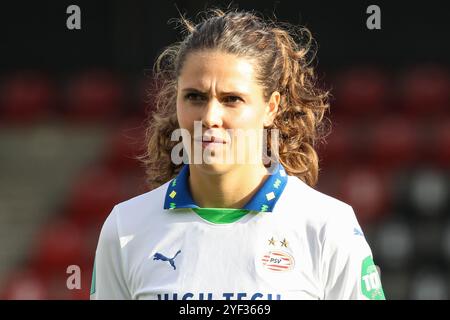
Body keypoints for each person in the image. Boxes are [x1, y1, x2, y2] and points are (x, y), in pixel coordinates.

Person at [90, 9, 385, 300]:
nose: (210, 117)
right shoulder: (126, 227)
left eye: (232, 99)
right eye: (195, 97)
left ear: (271, 107)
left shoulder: (327, 226)